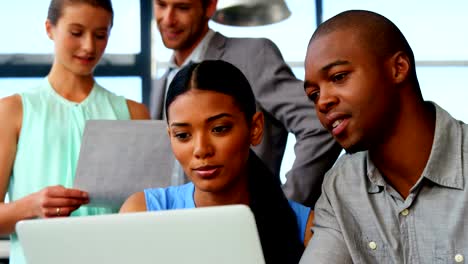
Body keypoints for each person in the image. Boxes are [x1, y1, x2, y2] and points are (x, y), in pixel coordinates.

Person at [299, 9, 468, 263]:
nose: (322, 102)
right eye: (314, 94)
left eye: (339, 77)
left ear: (398, 68)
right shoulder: (341, 185)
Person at [149, 0, 342, 207]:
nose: (168, 19)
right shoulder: (163, 83)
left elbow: (318, 122)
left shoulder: (252, 55)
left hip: (255, 224)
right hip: (177, 225)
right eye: (161, 5)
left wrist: (287, 206)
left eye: (182, 7)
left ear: (210, 7)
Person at [121, 60, 314, 264]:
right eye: (183, 135)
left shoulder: (305, 229)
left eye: (219, 129)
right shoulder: (142, 213)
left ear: (255, 128)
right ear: (170, 136)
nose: (201, 149)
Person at [0, 0, 150, 263]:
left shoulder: (134, 113)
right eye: (76, 32)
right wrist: (32, 205)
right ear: (50, 29)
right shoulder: (12, 111)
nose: (89, 46)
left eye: (100, 35)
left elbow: (149, 218)